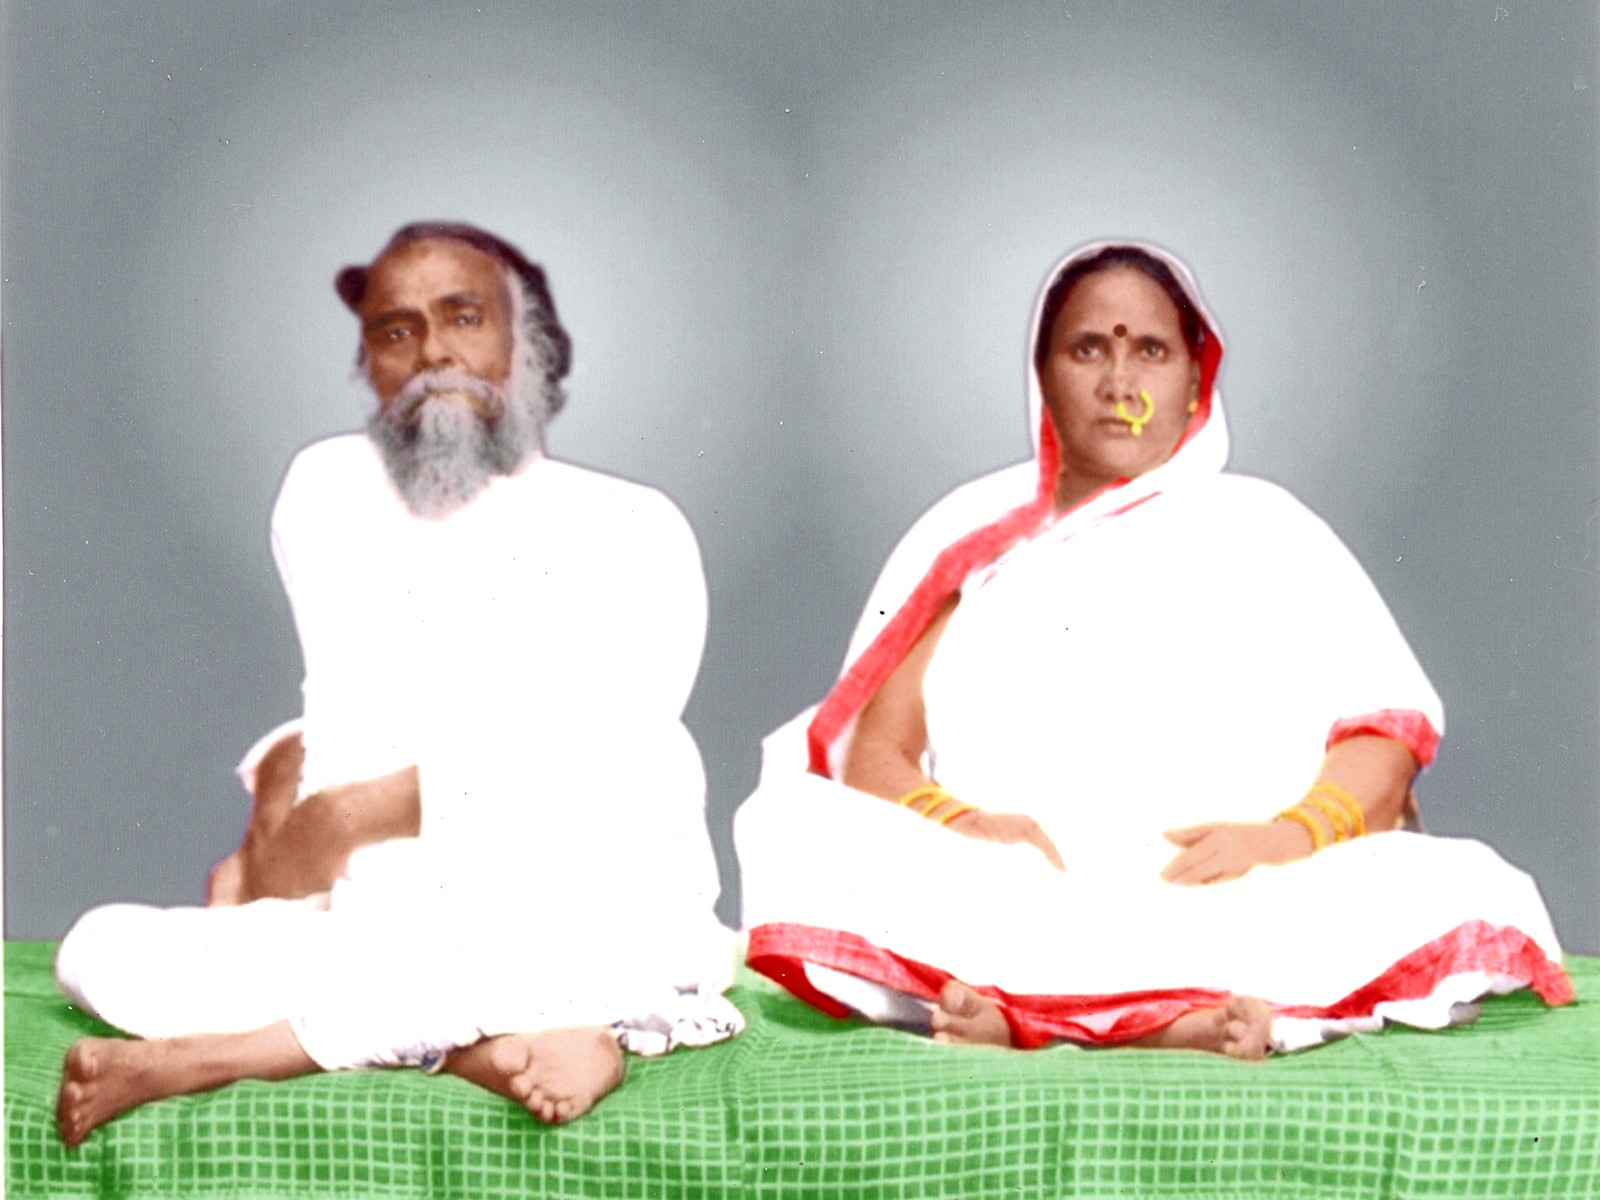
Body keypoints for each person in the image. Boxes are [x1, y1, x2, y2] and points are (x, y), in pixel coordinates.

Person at [735, 240, 1571, 1058]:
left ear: (1194, 379)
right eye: (1087, 349)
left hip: (1240, 891)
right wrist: (968, 826)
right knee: (801, 829)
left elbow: (1385, 731)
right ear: (1043, 375)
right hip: (1018, 893)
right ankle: (1149, 1017)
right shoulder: (971, 537)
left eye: (1150, 351)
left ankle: (1032, 1016)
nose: (1119, 382)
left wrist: (1283, 839)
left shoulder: (1273, 525)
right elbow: (875, 752)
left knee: (1440, 885)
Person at [53, 223, 742, 1147]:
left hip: (575, 894)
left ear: (530, 346)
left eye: (465, 318)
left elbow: (603, 763)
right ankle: (495, 1046)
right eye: (395, 330)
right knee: (97, 950)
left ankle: (215, 1059)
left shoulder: (631, 524)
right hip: (394, 914)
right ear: (369, 363)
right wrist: (288, 844)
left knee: (556, 931)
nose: (432, 354)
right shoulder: (326, 493)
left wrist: (353, 817)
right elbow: (343, 722)